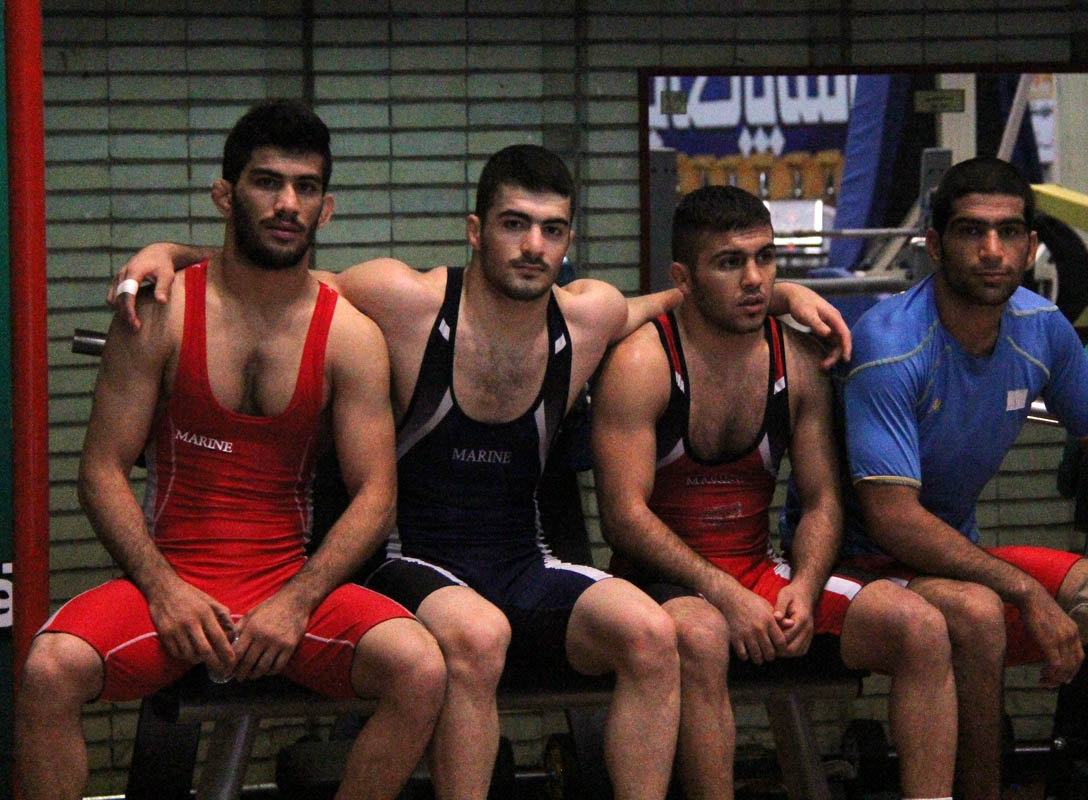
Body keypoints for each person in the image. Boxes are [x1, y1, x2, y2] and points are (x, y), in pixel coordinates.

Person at [108, 143, 853, 800]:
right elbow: (276, 272)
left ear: (569, 241)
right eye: (513, 224)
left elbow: (692, 295)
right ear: (475, 230)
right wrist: (172, 254)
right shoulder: (407, 301)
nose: (533, 246)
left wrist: (783, 294)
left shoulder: (587, 316)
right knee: (478, 634)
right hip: (408, 558)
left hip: (521, 560)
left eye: (552, 230)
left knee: (653, 635)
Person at [15, 101, 446, 800]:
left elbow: (377, 496)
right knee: (47, 671)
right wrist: (163, 590)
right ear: (225, 194)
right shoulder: (159, 312)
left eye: (306, 187)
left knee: (422, 669)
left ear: (327, 208)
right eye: (267, 182)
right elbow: (100, 470)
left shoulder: (350, 336)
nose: (287, 203)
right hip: (171, 585)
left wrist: (298, 601)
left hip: (286, 587)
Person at [837, 156, 1088, 800]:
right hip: (861, 569)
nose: (992, 250)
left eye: (1008, 233)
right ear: (935, 245)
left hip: (958, 561)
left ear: (1030, 247)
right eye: (971, 231)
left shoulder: (1040, 327)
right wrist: (1024, 591)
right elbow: (892, 518)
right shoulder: (892, 344)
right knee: (978, 614)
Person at [590, 185, 957, 800]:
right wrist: (727, 596)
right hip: (661, 582)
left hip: (758, 572)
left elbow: (821, 501)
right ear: (683, 278)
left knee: (919, 627)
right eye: (730, 263)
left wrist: (805, 588)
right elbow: (623, 518)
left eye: (765, 258)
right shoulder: (643, 362)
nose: (755, 280)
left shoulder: (798, 361)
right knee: (701, 636)